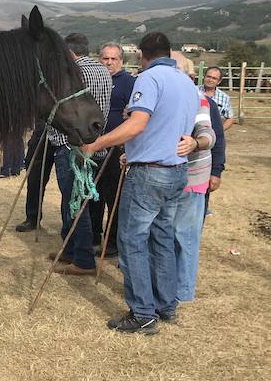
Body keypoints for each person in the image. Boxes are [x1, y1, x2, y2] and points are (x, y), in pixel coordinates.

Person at [81, 32, 199, 335]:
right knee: (161, 239)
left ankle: (143, 313)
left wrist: (96, 145)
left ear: (142, 55)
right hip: (176, 171)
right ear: (168, 52)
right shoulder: (186, 81)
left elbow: (138, 124)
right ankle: (165, 304)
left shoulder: (147, 78)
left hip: (150, 173)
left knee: (132, 241)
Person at [48, 33, 111, 276]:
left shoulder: (74, 73)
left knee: (76, 203)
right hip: (95, 142)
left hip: (72, 144)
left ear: (68, 51)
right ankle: (71, 247)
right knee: (72, 201)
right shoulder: (102, 70)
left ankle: (84, 259)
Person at [172, 55, 216, 303]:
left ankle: (183, 291)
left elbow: (209, 135)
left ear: (189, 76)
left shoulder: (198, 100)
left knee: (185, 235)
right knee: (168, 234)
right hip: (169, 175)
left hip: (192, 176)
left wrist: (195, 142)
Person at [89, 43, 134, 256]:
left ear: (121, 60)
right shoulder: (97, 81)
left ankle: (113, 242)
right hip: (94, 145)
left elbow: (134, 116)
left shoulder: (129, 83)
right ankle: (93, 236)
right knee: (93, 194)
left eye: (113, 59)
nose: (108, 62)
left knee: (113, 197)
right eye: (105, 58)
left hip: (117, 149)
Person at [199, 66, 233, 131]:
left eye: (214, 78)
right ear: (204, 77)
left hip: (214, 134)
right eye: (208, 77)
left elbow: (229, 117)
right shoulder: (193, 91)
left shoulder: (224, 97)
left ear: (219, 81)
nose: (210, 80)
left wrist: (219, 131)